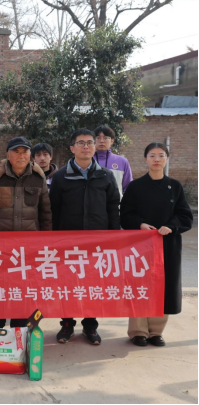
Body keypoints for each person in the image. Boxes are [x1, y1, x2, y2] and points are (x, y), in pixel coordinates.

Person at [50, 129, 121, 346]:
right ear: (72, 148)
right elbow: (53, 210)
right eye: (81, 143)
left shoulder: (106, 175)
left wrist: (113, 236)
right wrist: (53, 240)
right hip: (67, 243)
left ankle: (90, 325)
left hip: (97, 243)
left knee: (93, 285)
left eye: (90, 143)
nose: (86, 146)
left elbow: (113, 207)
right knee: (67, 285)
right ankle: (67, 324)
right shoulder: (61, 177)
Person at [121, 143, 193, 347]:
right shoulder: (135, 186)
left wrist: (171, 226)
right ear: (145, 159)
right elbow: (125, 214)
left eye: (161, 155)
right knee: (140, 285)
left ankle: (156, 331)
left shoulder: (175, 186)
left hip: (168, 244)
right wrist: (140, 224)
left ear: (167, 159)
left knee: (164, 286)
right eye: (152, 155)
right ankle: (138, 331)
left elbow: (185, 216)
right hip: (140, 245)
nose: (156, 159)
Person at [0, 137, 52, 329]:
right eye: (16, 151)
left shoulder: (38, 178)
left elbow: (45, 213)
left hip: (28, 250)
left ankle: (18, 331)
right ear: (8, 155)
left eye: (25, 151)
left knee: (23, 292)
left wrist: (45, 245)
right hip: (0, 249)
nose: (21, 155)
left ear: (30, 155)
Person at [94, 125, 133, 197]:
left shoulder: (122, 161)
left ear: (112, 141)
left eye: (105, 138)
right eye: (98, 138)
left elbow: (128, 187)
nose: (101, 141)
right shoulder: (87, 160)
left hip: (116, 203)